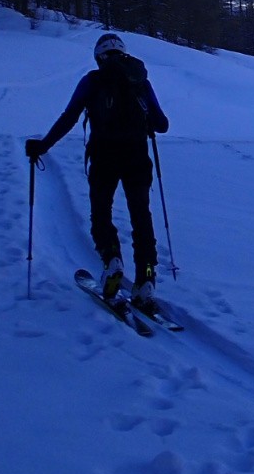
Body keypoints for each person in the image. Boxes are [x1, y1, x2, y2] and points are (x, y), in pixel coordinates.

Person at [26, 33, 169, 307]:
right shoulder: (141, 81)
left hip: (104, 156)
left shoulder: (91, 81)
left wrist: (43, 146)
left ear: (98, 56)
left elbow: (69, 117)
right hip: (138, 157)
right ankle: (147, 278)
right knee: (141, 216)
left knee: (101, 212)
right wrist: (147, 122)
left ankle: (112, 258)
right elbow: (162, 124)